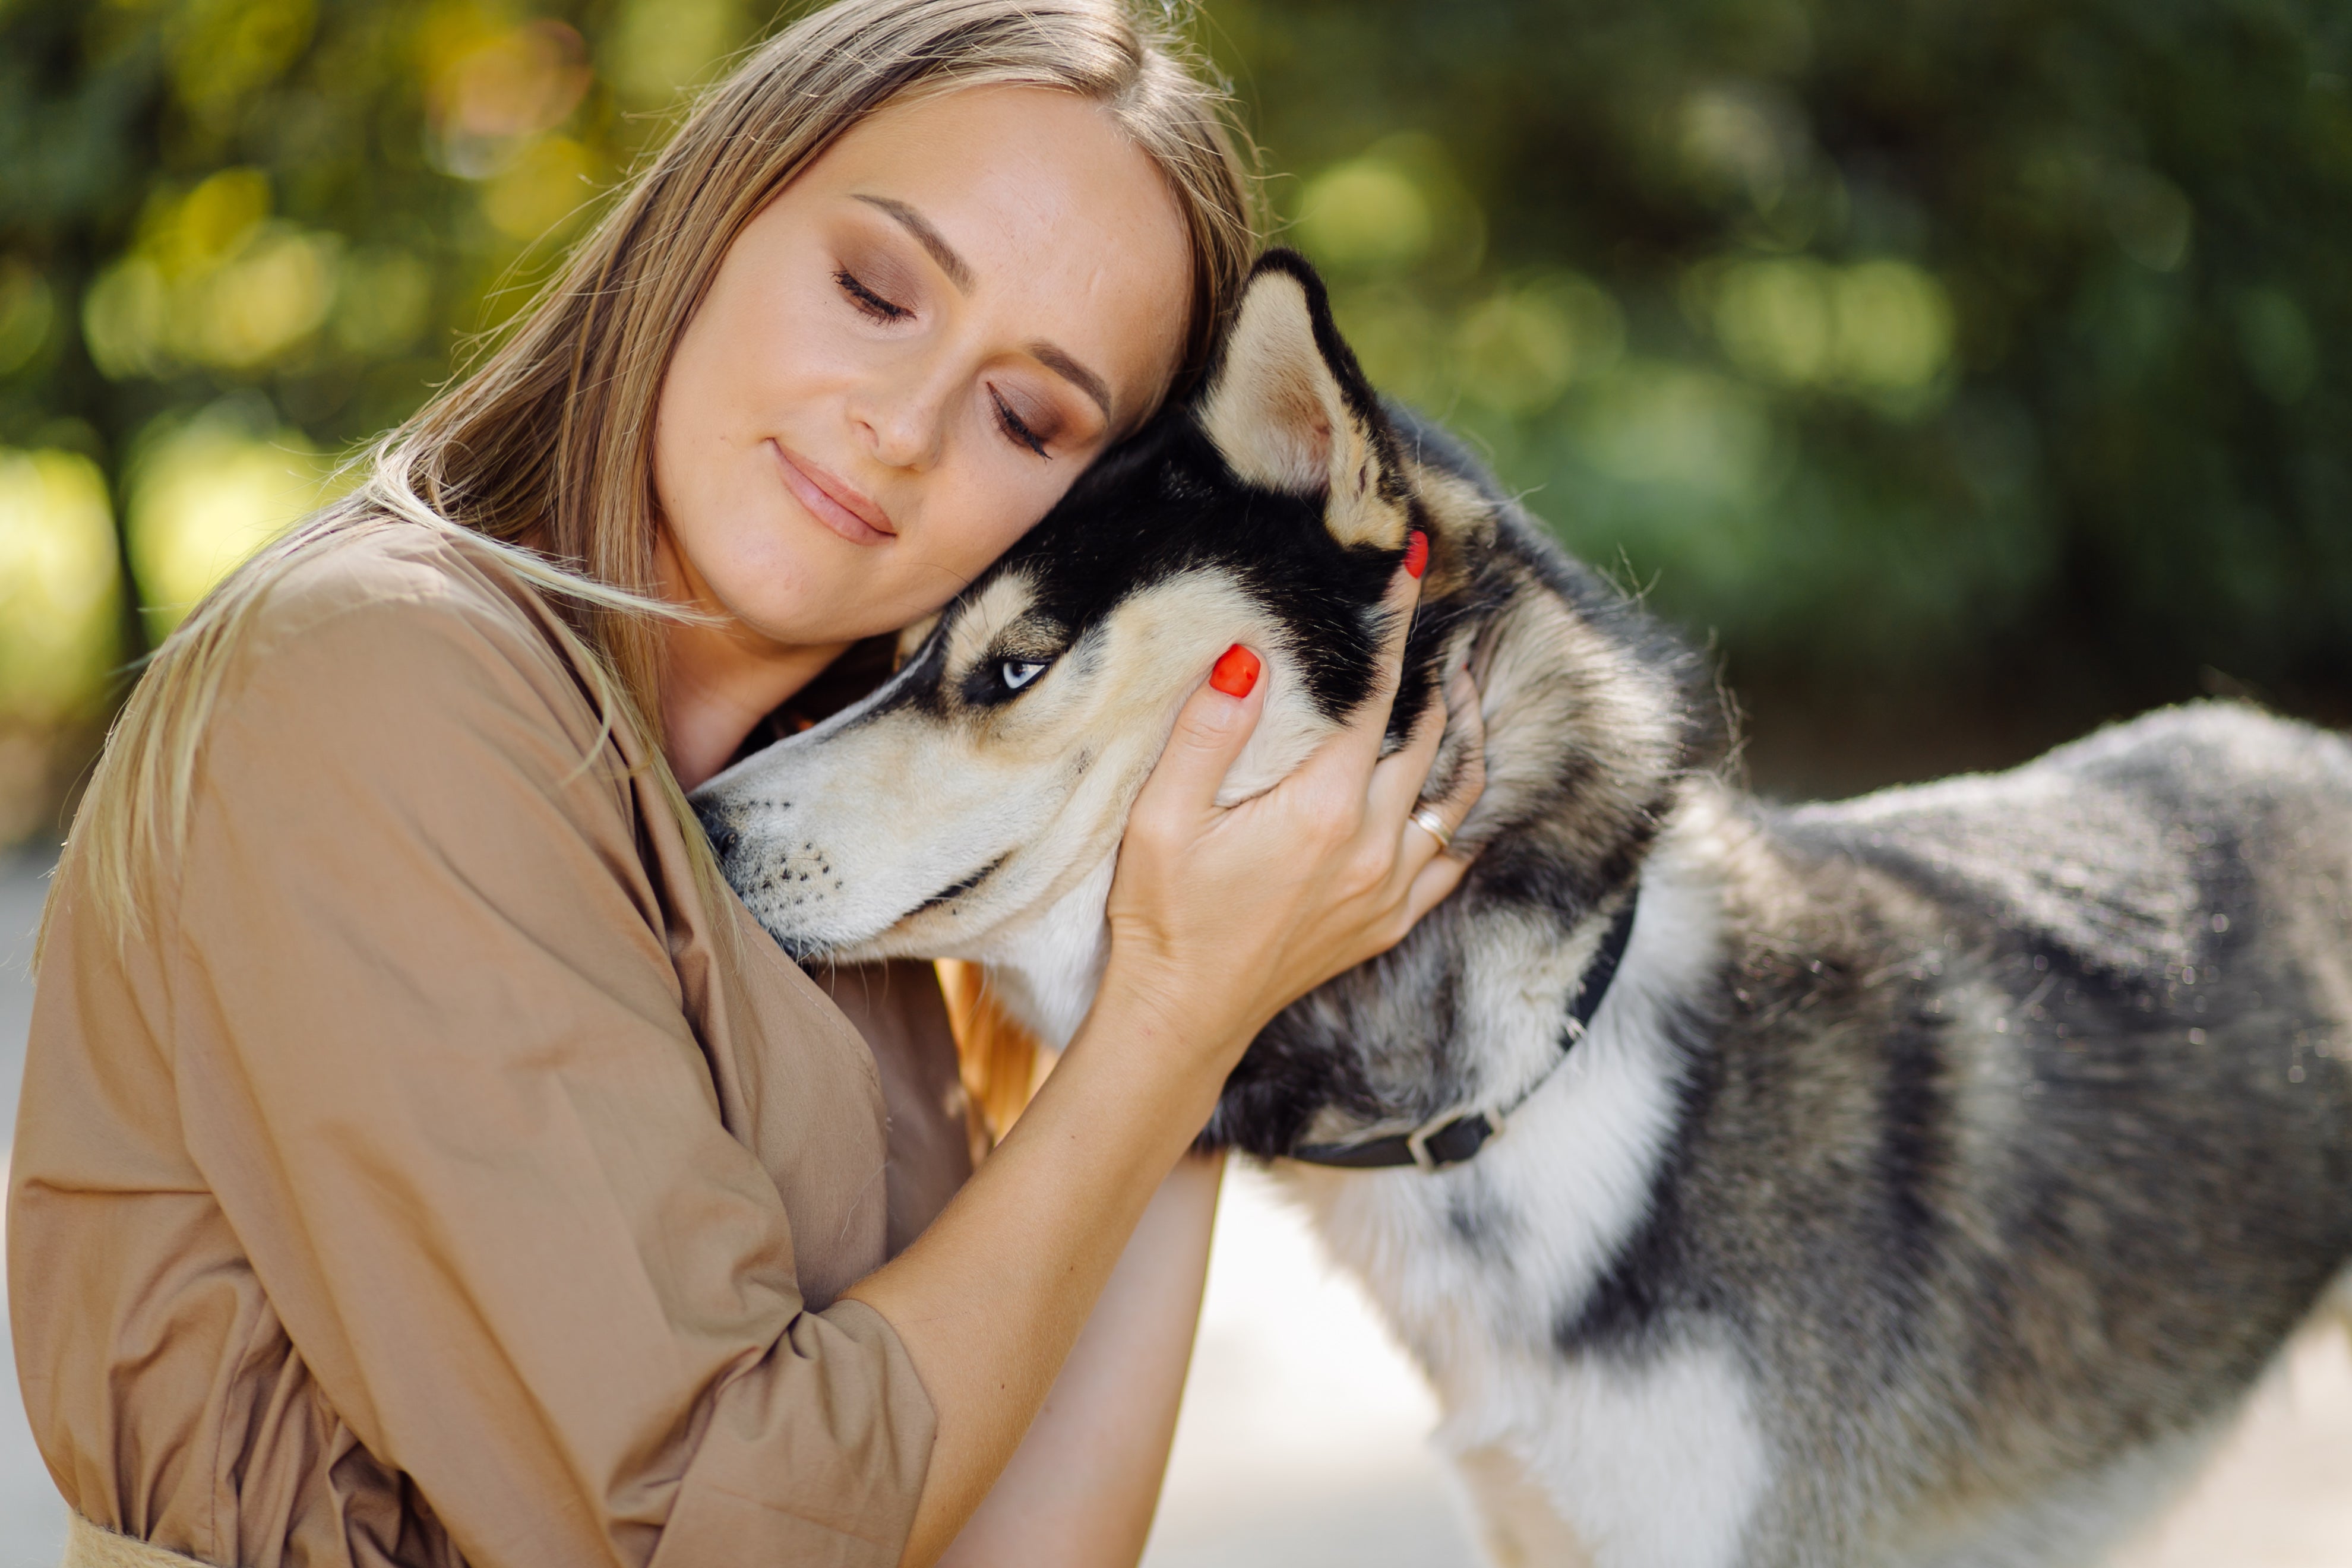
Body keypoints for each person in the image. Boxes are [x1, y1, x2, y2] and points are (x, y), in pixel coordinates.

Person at [7, 3, 1482, 1564]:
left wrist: (1198, 1022)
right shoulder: (374, 678)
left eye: (1026, 415)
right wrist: (1169, 1029)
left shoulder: (860, 853)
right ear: (715, 213)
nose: (902, 428)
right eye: (872, 289)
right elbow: (708, 1535)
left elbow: (1019, 1547)